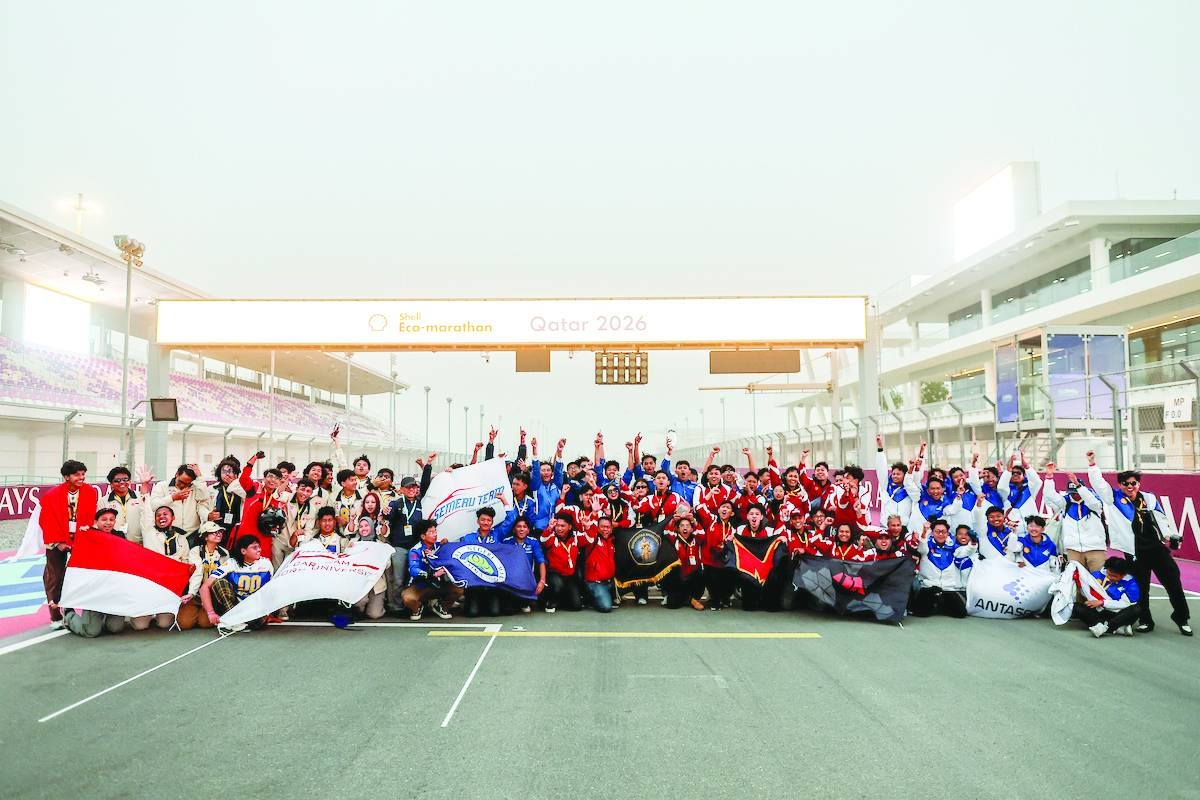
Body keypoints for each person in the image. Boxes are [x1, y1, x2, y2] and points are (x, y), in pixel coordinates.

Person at [1087, 453, 1191, 636]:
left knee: (1173, 582)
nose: (1130, 487)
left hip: (1156, 549)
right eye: (1126, 484)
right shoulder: (1113, 498)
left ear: (1138, 484)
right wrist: (1093, 465)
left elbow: (1161, 519)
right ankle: (1145, 620)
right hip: (1134, 551)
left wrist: (1168, 536)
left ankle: (1182, 619)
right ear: (1120, 485)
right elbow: (1099, 484)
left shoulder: (1149, 498)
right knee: (1142, 588)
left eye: (1133, 483)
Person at [40, 459, 98, 629]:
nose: (82, 477)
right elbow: (46, 521)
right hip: (57, 540)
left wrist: (82, 539)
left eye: (83, 474)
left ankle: (74, 610)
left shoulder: (90, 492)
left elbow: (90, 516)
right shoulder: (52, 495)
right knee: (54, 577)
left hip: (81, 539)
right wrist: (58, 542)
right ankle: (55, 616)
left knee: (80, 574)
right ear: (66, 477)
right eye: (77, 474)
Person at [60, 508, 127, 637]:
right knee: (91, 632)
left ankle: (105, 616)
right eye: (104, 519)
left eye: (111, 520)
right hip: (95, 591)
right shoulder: (88, 535)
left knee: (115, 628)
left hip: (113, 591)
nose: (108, 523)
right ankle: (68, 615)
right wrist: (84, 534)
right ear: (96, 521)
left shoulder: (120, 536)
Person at [130, 504, 191, 630]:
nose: (161, 517)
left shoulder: (181, 537)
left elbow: (185, 561)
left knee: (164, 624)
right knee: (140, 626)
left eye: (165, 514)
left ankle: (158, 615)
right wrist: (145, 491)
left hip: (169, 586)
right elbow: (145, 512)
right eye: (158, 515)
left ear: (173, 517)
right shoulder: (149, 531)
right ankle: (145, 615)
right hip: (151, 583)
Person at [200, 534, 274, 630]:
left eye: (259, 547)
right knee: (219, 583)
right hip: (235, 607)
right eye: (254, 547)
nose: (259, 550)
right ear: (243, 551)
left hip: (256, 607)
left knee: (258, 621)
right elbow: (204, 587)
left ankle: (239, 622)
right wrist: (211, 613)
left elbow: (272, 589)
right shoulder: (231, 563)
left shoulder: (266, 563)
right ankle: (234, 618)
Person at [1043, 466, 1106, 573]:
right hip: (1073, 550)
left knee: (1099, 581)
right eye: (1072, 492)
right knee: (1077, 583)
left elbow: (1094, 502)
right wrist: (1049, 478)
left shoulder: (1093, 503)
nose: (1075, 495)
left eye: (1077, 492)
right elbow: (1050, 496)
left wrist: (1078, 485)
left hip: (1095, 549)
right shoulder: (1065, 503)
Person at [402, 520, 462, 621]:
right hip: (420, 586)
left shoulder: (440, 546)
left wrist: (447, 546)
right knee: (407, 598)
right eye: (431, 532)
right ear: (423, 536)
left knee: (459, 589)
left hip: (439, 585)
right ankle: (418, 608)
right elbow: (414, 570)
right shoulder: (415, 550)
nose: (435, 534)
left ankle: (440, 607)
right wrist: (432, 574)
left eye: (435, 531)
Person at [910, 520, 968, 617]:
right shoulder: (927, 544)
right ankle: (935, 604)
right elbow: (921, 548)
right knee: (921, 613)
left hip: (947, 588)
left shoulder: (953, 547)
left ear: (948, 533)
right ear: (932, 532)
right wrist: (924, 532)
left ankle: (939, 604)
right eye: (937, 531)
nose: (940, 534)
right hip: (928, 587)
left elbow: (968, 550)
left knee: (961, 613)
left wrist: (973, 542)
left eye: (943, 532)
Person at [1072, 556, 1141, 638]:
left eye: (1114, 576)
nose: (1110, 577)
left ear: (1124, 574)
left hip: (1117, 614)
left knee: (1136, 609)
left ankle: (1105, 627)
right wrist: (1080, 585)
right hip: (1099, 611)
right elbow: (1088, 592)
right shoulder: (1098, 575)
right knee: (1076, 607)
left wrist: (1102, 602)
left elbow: (1125, 604)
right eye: (1108, 574)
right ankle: (1117, 628)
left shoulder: (1131, 584)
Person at [179, 522, 229, 630]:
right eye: (213, 532)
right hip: (195, 593)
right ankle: (196, 609)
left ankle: (204, 611)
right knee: (184, 624)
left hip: (212, 595)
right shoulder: (196, 551)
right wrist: (191, 593)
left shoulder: (224, 553)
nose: (218, 534)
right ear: (205, 536)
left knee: (205, 623)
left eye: (219, 532)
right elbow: (198, 572)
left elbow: (223, 576)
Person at [149, 464, 213, 545]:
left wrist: (200, 477)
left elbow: (204, 498)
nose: (183, 485)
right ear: (177, 474)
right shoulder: (162, 486)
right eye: (181, 481)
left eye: (187, 484)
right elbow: (153, 505)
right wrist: (173, 498)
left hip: (192, 534)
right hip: (169, 534)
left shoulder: (196, 487)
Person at [459, 507, 505, 617]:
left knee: (494, 613)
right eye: (483, 520)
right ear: (478, 521)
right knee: (472, 613)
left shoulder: (498, 535)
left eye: (489, 520)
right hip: (474, 583)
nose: (485, 522)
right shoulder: (467, 538)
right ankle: (473, 602)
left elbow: (511, 519)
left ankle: (487, 603)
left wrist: (504, 501)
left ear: (492, 522)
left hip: (492, 583)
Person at [540, 512, 584, 612]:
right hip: (554, 574)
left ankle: (561, 599)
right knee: (557, 584)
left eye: (562, 526)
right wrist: (549, 528)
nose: (559, 529)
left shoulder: (575, 537)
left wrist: (589, 522)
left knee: (576, 606)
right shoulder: (552, 536)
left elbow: (589, 539)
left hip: (569, 576)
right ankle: (550, 601)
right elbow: (543, 540)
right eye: (557, 525)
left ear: (569, 527)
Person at [502, 516, 546, 612]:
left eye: (524, 527)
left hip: (528, 579)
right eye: (519, 526)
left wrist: (542, 581)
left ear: (528, 530)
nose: (522, 529)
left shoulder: (533, 542)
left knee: (536, 602)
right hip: (511, 580)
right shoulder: (507, 542)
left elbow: (541, 561)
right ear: (514, 529)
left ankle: (526, 600)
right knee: (508, 610)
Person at [662, 514, 705, 610]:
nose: (685, 528)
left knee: (702, 575)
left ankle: (692, 598)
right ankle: (689, 599)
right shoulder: (674, 539)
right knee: (672, 605)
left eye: (688, 525)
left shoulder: (696, 538)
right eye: (682, 525)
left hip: (693, 575)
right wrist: (673, 520)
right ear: (678, 528)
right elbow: (666, 532)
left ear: (691, 529)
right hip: (678, 576)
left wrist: (693, 519)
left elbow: (702, 533)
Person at [99, 465, 148, 541]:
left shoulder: (140, 497)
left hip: (138, 545)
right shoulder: (103, 501)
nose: (122, 482)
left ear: (130, 481)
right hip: (113, 545)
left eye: (125, 479)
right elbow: (99, 525)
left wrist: (144, 485)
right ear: (111, 484)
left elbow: (148, 517)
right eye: (117, 480)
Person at [579, 517, 618, 612]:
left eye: (608, 527)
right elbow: (583, 541)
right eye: (602, 527)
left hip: (609, 582)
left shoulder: (612, 542)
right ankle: (588, 598)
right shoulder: (592, 539)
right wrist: (588, 528)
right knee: (606, 607)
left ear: (611, 528)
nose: (605, 529)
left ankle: (605, 594)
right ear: (597, 527)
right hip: (595, 582)